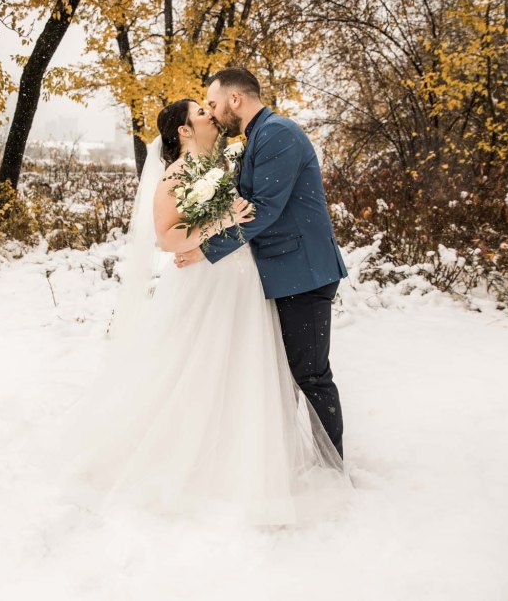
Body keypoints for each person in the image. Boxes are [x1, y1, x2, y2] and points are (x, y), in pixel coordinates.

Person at [56, 96, 350, 526]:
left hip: (245, 283)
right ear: (184, 132)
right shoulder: (176, 174)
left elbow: (253, 213)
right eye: (200, 112)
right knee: (197, 367)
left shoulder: (227, 165)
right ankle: (189, 458)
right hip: (205, 285)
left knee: (242, 370)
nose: (210, 115)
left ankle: (244, 456)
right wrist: (218, 225)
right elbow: (169, 239)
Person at [176, 68, 348, 458]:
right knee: (286, 374)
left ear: (236, 100)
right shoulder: (258, 136)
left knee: (311, 375)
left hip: (303, 273)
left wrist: (204, 251)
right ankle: (288, 459)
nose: (213, 114)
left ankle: (332, 466)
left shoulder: (277, 134)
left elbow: (264, 211)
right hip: (283, 272)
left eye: (215, 104)